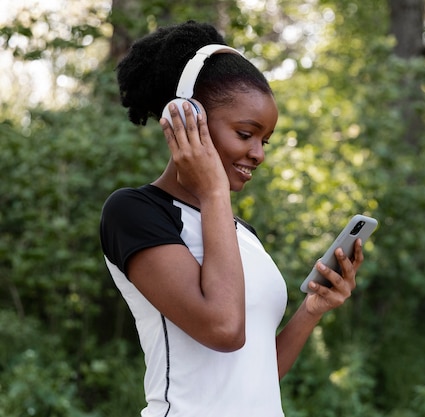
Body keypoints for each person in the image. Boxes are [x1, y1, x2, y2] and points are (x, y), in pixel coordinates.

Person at [99, 21, 365, 417]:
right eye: (245, 134)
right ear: (190, 120)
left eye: (265, 141)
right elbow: (224, 329)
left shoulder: (240, 233)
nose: (258, 154)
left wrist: (311, 310)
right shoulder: (135, 212)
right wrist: (212, 192)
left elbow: (255, 375)